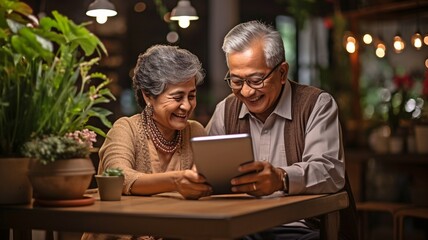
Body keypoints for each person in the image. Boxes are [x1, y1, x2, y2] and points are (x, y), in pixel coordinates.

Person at [205, 20, 357, 240]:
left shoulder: (316, 104)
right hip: (241, 226)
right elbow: (208, 166)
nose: (246, 92)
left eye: (256, 80)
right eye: (236, 81)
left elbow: (330, 172)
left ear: (282, 72)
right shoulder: (225, 109)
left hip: (300, 229)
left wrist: (282, 178)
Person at [82, 44, 212, 240]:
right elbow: (118, 177)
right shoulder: (125, 128)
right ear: (148, 95)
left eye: (191, 96)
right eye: (177, 97)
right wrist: (176, 181)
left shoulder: (195, 131)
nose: (186, 105)